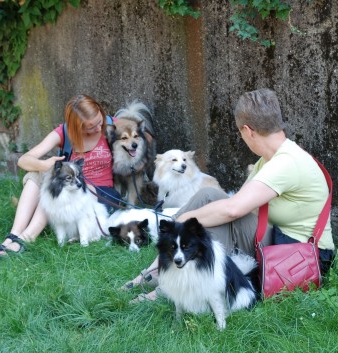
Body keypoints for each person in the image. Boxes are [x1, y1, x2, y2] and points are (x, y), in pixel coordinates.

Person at [127, 88, 335, 302]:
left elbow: (233, 209)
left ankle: (168, 288)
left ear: (247, 130)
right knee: (208, 194)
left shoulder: (286, 162)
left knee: (213, 223)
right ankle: (153, 273)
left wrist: (183, 220)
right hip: (278, 240)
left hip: (303, 255)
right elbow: (235, 204)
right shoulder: (270, 160)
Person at [0, 94, 121, 258]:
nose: (97, 128)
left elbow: (140, 132)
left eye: (99, 121)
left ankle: (26, 238)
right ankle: (13, 236)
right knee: (37, 174)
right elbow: (24, 160)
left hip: (100, 195)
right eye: (90, 127)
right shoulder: (65, 133)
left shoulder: (110, 124)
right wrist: (44, 165)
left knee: (56, 189)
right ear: (76, 127)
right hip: (69, 188)